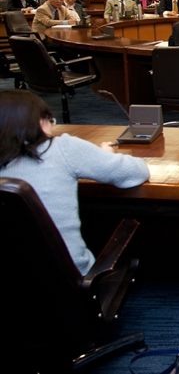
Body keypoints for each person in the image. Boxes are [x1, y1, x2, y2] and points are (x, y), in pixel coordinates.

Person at [0, 90, 150, 275]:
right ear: (40, 123)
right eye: (51, 121)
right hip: (67, 277)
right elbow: (136, 172)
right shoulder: (60, 148)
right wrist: (104, 155)